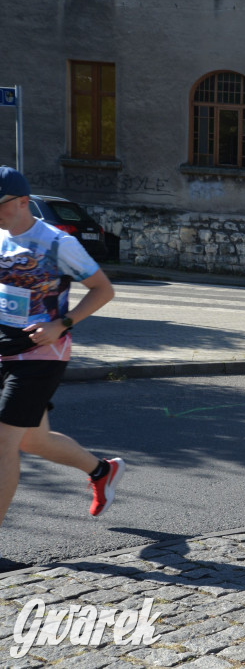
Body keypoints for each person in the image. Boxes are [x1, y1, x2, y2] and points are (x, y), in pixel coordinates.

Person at [0, 166, 120, 529]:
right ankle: (102, 471)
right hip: (5, 349)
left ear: (23, 202)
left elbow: (104, 290)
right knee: (33, 441)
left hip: (42, 354)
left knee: (4, 440)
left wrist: (61, 324)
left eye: (0, 204)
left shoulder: (57, 242)